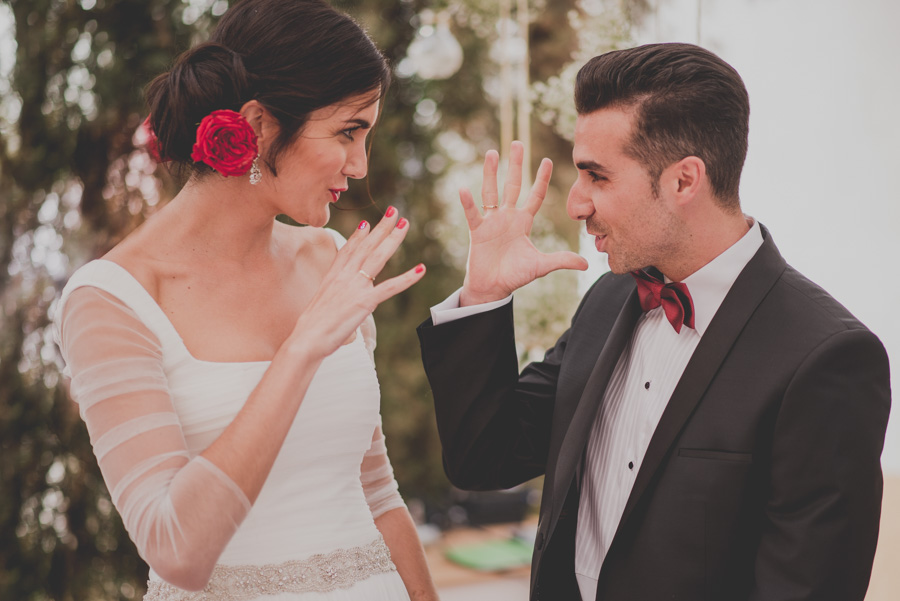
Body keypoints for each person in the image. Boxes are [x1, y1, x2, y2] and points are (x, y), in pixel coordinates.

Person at [417, 42, 891, 600]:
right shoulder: (606, 301)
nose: (575, 203)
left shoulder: (826, 356)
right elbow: (484, 459)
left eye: (597, 176)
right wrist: (484, 295)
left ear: (684, 181)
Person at [52, 1, 438, 599]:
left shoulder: (325, 258)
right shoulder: (113, 300)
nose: (360, 166)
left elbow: (378, 493)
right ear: (257, 124)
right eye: (347, 131)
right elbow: (177, 549)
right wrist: (301, 349)